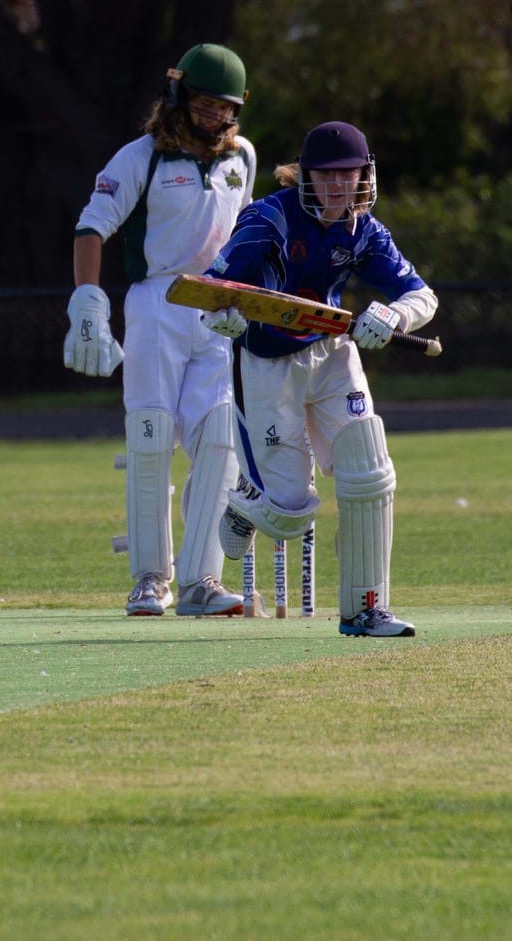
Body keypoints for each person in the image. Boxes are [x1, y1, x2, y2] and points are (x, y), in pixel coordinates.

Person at [202, 121, 438, 638]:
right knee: (289, 516)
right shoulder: (269, 218)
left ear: (363, 176)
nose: (337, 186)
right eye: (325, 175)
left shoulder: (365, 231)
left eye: (347, 174)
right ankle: (248, 499)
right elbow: (215, 286)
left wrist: (395, 317)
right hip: (266, 363)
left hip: (331, 351)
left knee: (368, 470)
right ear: (306, 176)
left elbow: (422, 294)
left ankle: (365, 609)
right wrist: (223, 313)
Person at [68, 44, 258, 617]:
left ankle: (202, 582)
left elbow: (245, 235)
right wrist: (87, 302)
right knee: (151, 435)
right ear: (179, 97)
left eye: (223, 108)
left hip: (219, 306)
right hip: (157, 299)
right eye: (203, 104)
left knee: (221, 437)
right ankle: (151, 579)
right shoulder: (143, 156)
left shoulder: (241, 158)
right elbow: (91, 227)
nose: (213, 117)